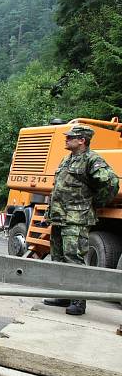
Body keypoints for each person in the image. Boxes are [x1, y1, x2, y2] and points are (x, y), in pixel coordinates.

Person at [43, 124, 118, 316]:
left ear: (82, 140)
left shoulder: (91, 160)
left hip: (76, 219)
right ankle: (64, 296)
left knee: (74, 259)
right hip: (59, 218)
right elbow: (58, 189)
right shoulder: (66, 160)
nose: (66, 139)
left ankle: (79, 301)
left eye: (70, 137)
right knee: (59, 258)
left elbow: (110, 182)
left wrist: (97, 202)